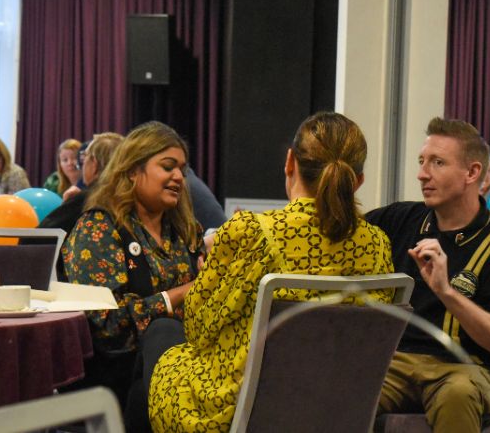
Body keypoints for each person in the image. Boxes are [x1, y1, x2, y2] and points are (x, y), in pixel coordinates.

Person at [147, 112, 395, 432]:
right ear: (358, 180)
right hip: (336, 408)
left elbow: (199, 328)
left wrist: (210, 281)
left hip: (244, 410)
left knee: (162, 341)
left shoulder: (251, 232)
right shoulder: (377, 245)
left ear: (290, 162)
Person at [366, 117, 490, 432]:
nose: (421, 173)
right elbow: (341, 229)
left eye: (437, 163)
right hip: (400, 361)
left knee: (457, 393)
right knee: (345, 384)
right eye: (421, 161)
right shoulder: (403, 218)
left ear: (472, 173)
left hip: (470, 368)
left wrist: (447, 292)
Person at [61, 122, 204, 406]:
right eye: (167, 166)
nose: (178, 177)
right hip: (117, 379)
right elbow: (107, 327)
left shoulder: (186, 232)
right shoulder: (99, 228)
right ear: (132, 170)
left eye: (182, 170)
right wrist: (185, 293)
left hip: (186, 369)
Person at [37, 132, 124, 279]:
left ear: (94, 164)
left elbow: (35, 240)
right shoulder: (130, 198)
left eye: (84, 160)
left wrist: (69, 205)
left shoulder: (87, 199)